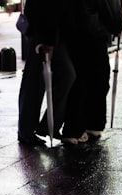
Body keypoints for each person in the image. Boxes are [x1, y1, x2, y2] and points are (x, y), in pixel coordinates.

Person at [60, 0, 122, 144]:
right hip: (92, 33)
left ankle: (75, 128)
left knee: (78, 81)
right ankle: (88, 125)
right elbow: (110, 6)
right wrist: (116, 25)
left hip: (70, 32)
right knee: (97, 80)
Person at [17, 0, 76, 146]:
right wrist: (49, 38)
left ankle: (42, 126)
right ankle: (29, 129)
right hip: (44, 33)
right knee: (36, 81)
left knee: (39, 80)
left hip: (49, 32)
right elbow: (49, 7)